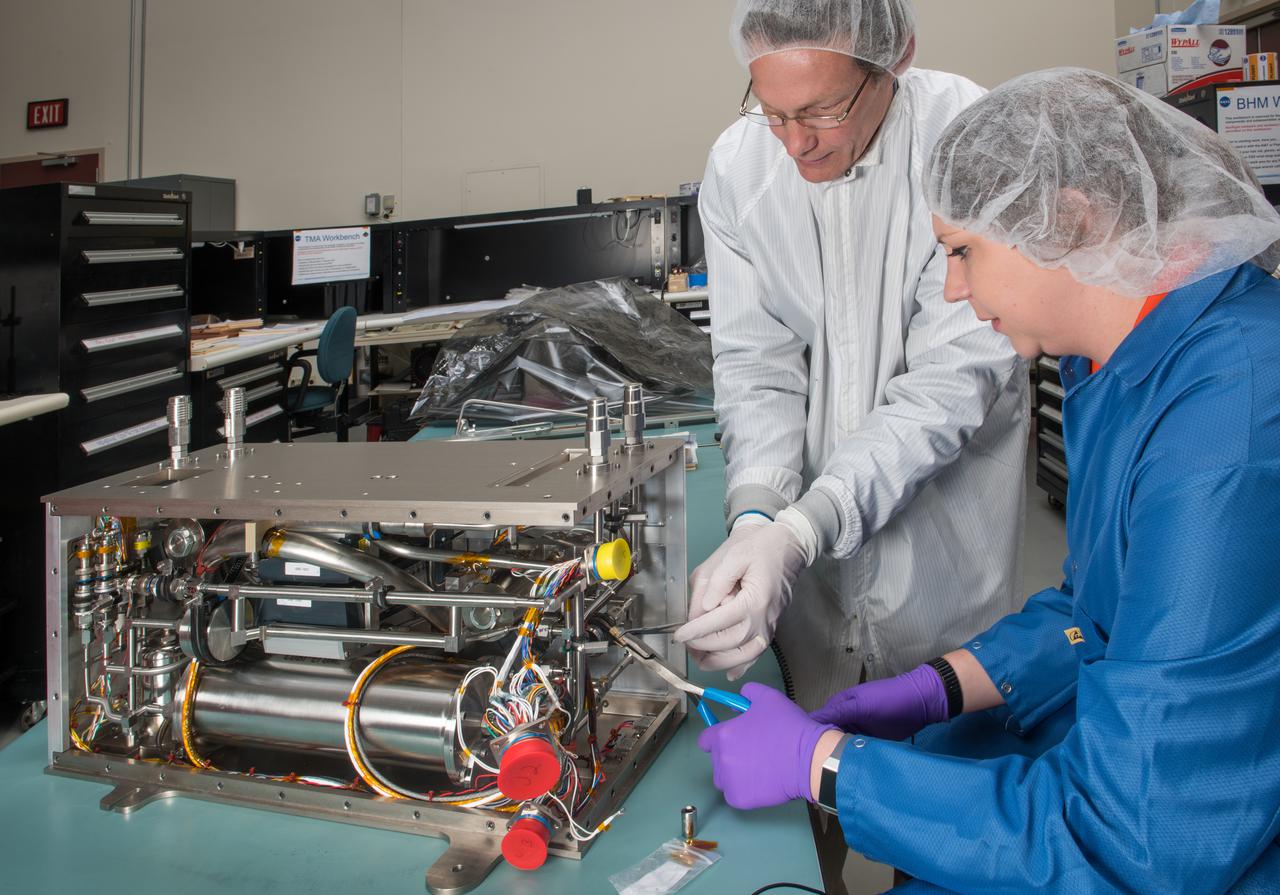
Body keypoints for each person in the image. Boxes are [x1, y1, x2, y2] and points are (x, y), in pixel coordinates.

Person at [698, 67, 1280, 893]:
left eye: (963, 251)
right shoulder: (1125, 363)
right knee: (952, 753)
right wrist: (937, 688)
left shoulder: (1227, 429)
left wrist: (824, 765)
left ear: (1068, 221)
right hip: (1141, 789)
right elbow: (1098, 610)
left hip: (1189, 848)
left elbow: (1138, 841)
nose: (953, 289)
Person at [674, 0, 1029, 707]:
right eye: (773, 113)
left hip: (943, 544)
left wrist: (802, 528)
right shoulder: (740, 166)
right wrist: (757, 517)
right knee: (816, 755)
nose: (795, 142)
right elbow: (756, 362)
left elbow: (949, 384)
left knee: (945, 743)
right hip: (807, 572)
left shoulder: (966, 139)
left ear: (893, 60)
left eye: (822, 110)